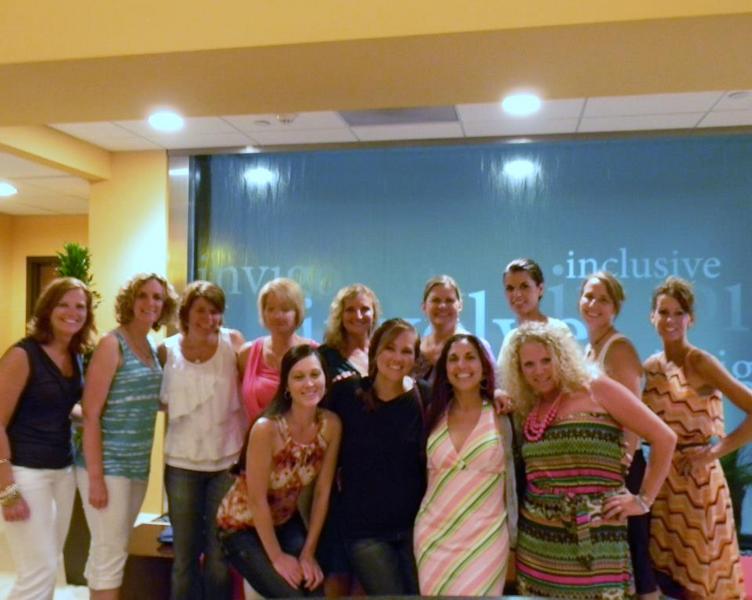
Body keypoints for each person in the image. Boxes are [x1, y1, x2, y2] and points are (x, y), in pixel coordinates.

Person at [500, 322, 676, 599]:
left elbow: (664, 438)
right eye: (529, 364)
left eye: (546, 360)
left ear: (562, 356)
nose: (539, 371)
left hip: (597, 538)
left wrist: (643, 500)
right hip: (538, 545)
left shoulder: (596, 388)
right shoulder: (529, 405)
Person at [643, 276, 749, 599]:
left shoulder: (700, 361)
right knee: (668, 581)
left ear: (691, 318)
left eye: (679, 312)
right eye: (664, 312)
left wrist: (712, 454)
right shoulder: (651, 367)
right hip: (663, 484)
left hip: (698, 484)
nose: (670, 320)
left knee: (701, 582)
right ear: (652, 317)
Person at [77, 272, 178, 599]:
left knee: (112, 546)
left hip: (137, 466)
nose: (150, 303)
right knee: (110, 549)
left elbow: (151, 401)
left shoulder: (150, 347)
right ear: (130, 302)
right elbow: (90, 412)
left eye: (157, 297)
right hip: (108, 466)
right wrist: (96, 478)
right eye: (143, 296)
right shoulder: (112, 344)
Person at [219, 345, 341, 598]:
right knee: (290, 595)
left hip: (284, 521)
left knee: (314, 590)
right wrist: (277, 557)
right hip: (241, 526)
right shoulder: (267, 429)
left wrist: (308, 553)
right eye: (299, 377)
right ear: (286, 384)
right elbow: (256, 500)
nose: (309, 383)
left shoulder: (331, 424)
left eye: (315, 374)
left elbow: (322, 492)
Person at [0, 277, 95, 599]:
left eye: (80, 306)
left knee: (49, 565)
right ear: (47, 310)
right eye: (63, 305)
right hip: (25, 472)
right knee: (37, 570)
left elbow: (61, 407)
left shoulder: (74, 355)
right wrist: (6, 488)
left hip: (62, 471)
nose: (72, 312)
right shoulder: (23, 355)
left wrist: (95, 417)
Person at [326, 318, 429, 595]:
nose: (397, 358)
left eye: (406, 351)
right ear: (375, 351)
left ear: (415, 358)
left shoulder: (424, 397)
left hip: (414, 529)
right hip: (364, 531)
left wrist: (498, 395)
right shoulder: (347, 393)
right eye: (390, 348)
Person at [158, 281, 246, 600]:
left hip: (226, 464)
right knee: (184, 558)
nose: (208, 318)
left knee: (219, 558)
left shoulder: (233, 343)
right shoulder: (166, 350)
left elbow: (254, 388)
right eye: (200, 311)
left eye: (214, 311)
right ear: (186, 312)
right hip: (181, 466)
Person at [414, 334, 516, 596]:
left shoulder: (502, 413)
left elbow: (516, 478)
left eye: (470, 357)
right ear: (445, 369)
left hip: (486, 538)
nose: (462, 365)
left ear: (484, 366)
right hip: (433, 537)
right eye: (454, 359)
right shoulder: (432, 412)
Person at [579, 271, 658, 599]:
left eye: (603, 299)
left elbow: (634, 421)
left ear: (616, 308)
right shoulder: (589, 348)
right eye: (589, 296)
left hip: (624, 471)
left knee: (637, 558)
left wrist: (620, 471)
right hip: (607, 469)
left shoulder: (619, 348)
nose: (593, 304)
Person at [317, 284, 380, 596]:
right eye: (351, 310)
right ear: (339, 315)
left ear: (374, 313)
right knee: (337, 565)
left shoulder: (383, 353)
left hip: (375, 472)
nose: (358, 315)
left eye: (365, 309)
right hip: (337, 473)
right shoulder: (325, 356)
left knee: (368, 569)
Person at [239, 277, 316, 424]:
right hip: (256, 437)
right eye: (271, 309)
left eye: (285, 309)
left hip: (303, 436)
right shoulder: (247, 354)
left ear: (297, 312)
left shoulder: (315, 353)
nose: (277, 315)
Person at [415, 275, 493, 382]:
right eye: (436, 300)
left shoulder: (478, 347)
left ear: (460, 305)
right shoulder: (414, 350)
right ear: (424, 307)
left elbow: (493, 386)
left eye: (449, 300)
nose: (442, 306)